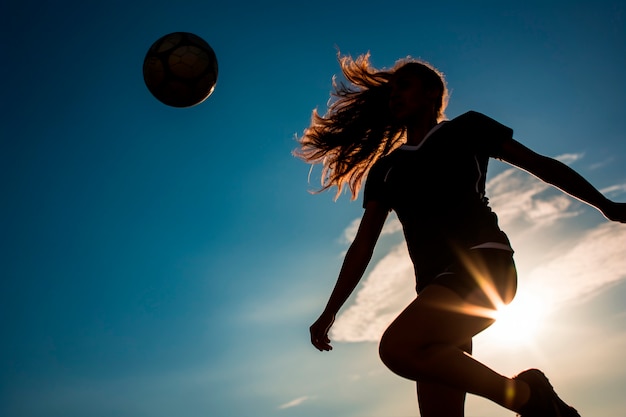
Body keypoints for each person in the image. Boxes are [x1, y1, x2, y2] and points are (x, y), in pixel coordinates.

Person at [295, 53, 626, 417]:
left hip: (484, 266)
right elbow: (362, 246)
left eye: (403, 86)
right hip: (438, 293)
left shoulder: (465, 129)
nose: (394, 95)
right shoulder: (387, 169)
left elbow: (541, 165)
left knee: (396, 348)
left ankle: (531, 398)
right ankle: (541, 404)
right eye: (390, 91)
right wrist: (330, 311)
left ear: (431, 94)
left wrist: (603, 204)